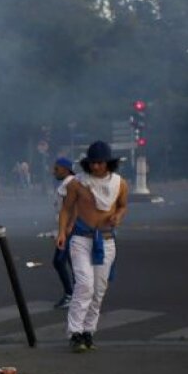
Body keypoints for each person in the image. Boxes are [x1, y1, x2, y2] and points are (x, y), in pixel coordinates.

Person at [57, 141, 128, 353]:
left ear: (108, 163)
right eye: (93, 163)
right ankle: (75, 332)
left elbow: (123, 205)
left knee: (98, 289)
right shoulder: (77, 184)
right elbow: (66, 209)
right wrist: (61, 232)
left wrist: (118, 216)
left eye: (100, 163)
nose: (96, 167)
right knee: (84, 284)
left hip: (106, 240)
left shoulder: (120, 184)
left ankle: (88, 331)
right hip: (81, 238)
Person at [50, 157, 76, 310]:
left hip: (69, 230)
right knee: (73, 262)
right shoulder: (66, 183)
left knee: (59, 261)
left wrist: (68, 227)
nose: (54, 172)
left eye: (57, 169)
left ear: (66, 169)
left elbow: (74, 207)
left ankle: (70, 294)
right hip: (65, 228)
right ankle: (78, 294)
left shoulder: (70, 184)